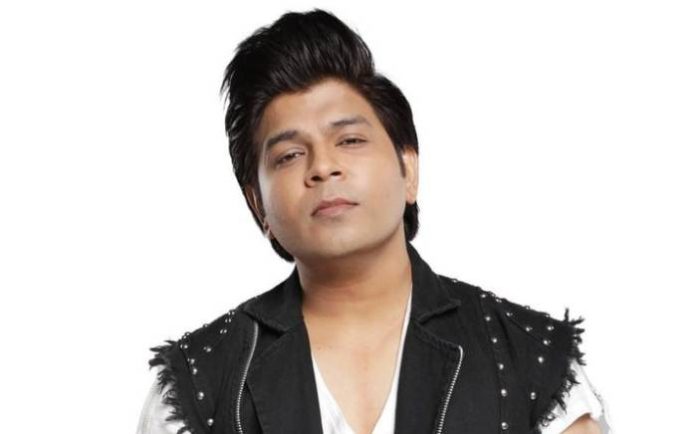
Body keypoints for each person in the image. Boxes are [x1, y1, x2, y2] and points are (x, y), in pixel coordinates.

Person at [137, 8, 612, 434]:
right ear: (258, 204)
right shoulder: (198, 386)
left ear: (409, 170)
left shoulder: (531, 362)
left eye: (350, 141)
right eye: (290, 155)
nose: (323, 167)